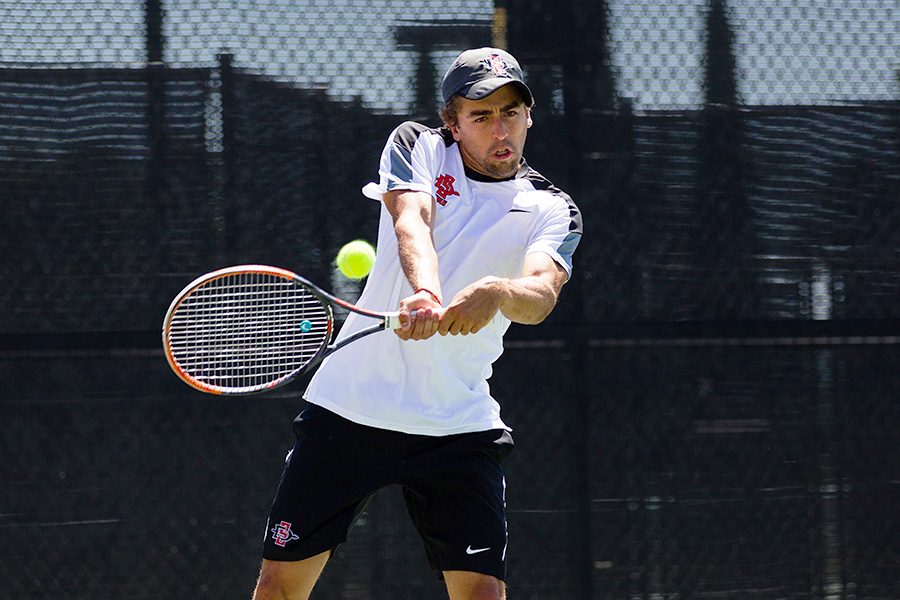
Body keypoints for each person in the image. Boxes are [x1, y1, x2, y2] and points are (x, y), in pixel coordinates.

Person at [251, 47, 582, 600]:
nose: (500, 128)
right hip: (351, 408)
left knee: (482, 594)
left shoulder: (553, 208)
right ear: (452, 122)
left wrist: (497, 292)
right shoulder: (418, 145)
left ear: (530, 116)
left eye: (511, 112)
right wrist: (427, 293)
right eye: (481, 115)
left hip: (456, 423)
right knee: (278, 586)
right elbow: (412, 221)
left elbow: (541, 294)